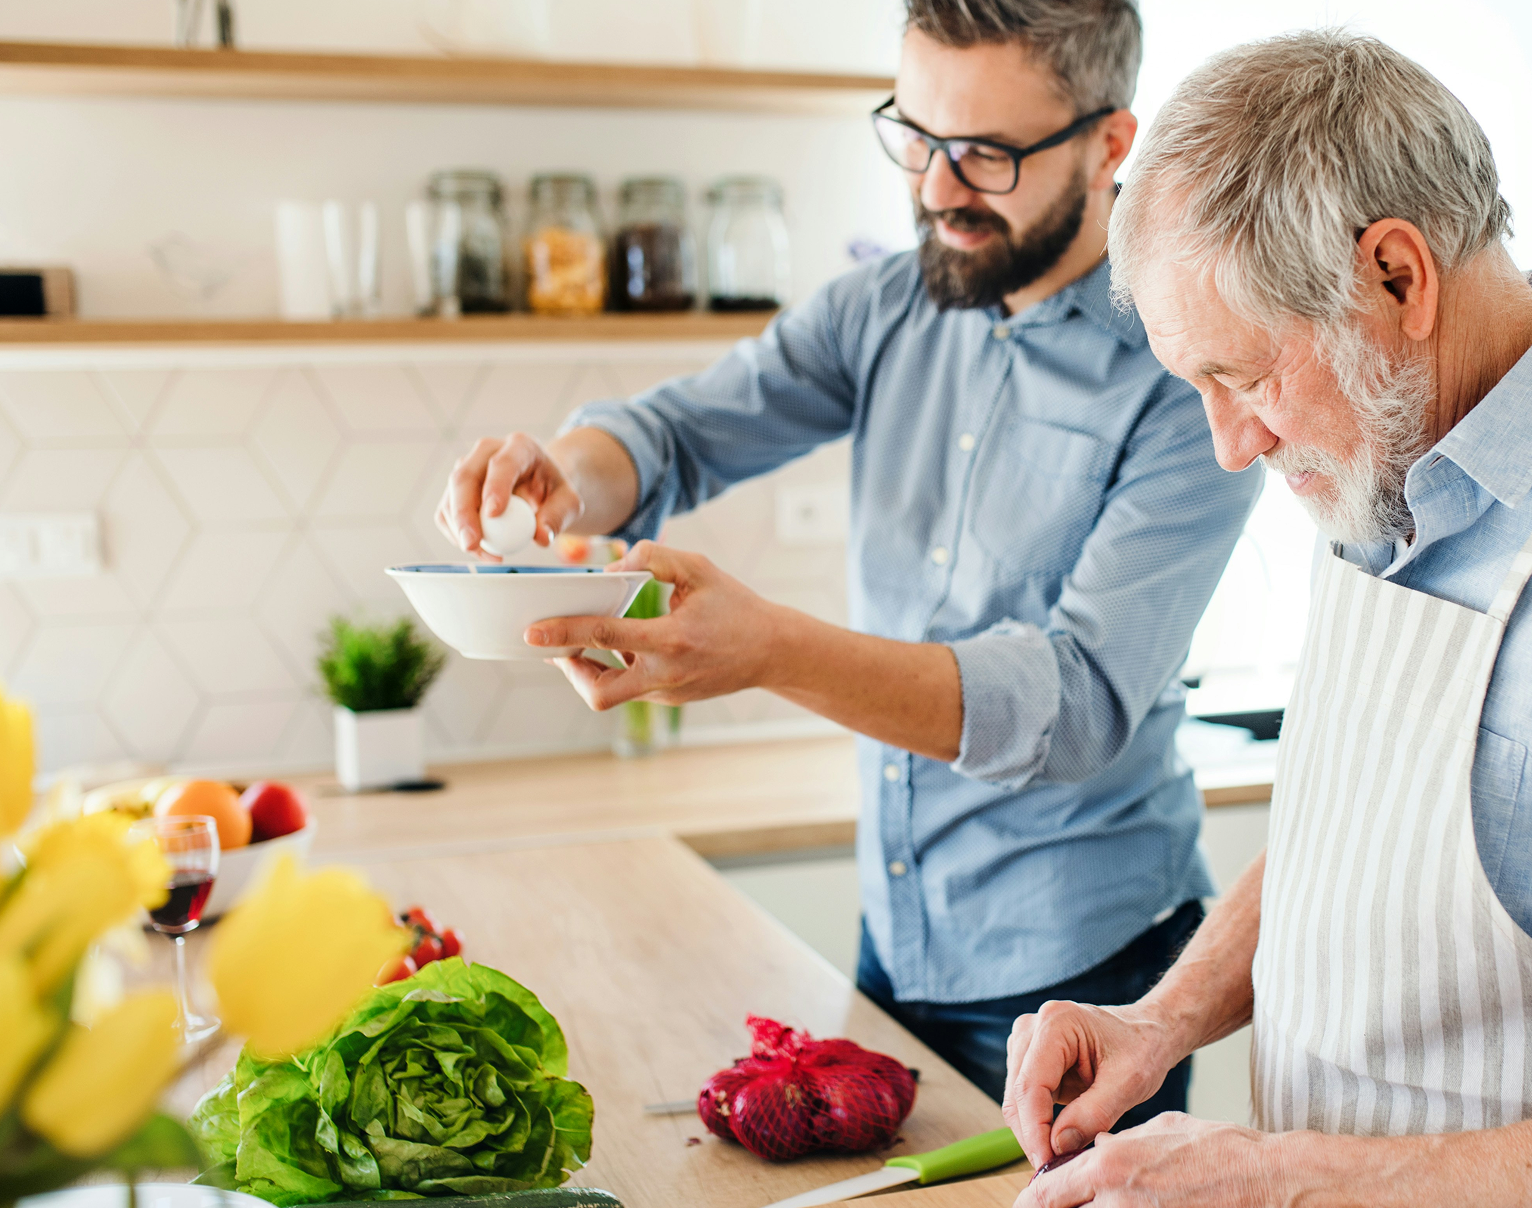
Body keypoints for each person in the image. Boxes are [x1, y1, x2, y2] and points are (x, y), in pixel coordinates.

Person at [1003, 31, 1532, 1207]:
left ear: (1396, 278)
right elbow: (1362, 833)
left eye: (1246, 374)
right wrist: (1161, 1018)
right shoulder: (1392, 456)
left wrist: (1280, 1179)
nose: (1229, 442)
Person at [435, 0, 1260, 1125]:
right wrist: (564, 473)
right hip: (895, 938)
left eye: (985, 154)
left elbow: (1073, 702)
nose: (932, 188)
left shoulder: (1190, 372)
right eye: (915, 136)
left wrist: (767, 648)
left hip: (1090, 975)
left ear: (1110, 144)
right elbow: (679, 431)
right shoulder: (890, 301)